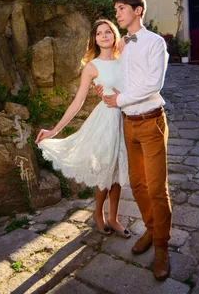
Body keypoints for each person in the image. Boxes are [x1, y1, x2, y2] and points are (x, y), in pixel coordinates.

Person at [100, 0, 172, 281]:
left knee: (157, 187)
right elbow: (120, 77)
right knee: (138, 184)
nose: (117, 14)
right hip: (128, 123)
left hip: (151, 122)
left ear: (138, 10)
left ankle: (162, 247)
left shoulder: (155, 43)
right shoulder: (122, 46)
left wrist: (121, 99)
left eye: (121, 8)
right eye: (115, 8)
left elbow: (154, 84)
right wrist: (112, 94)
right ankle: (152, 230)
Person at [36, 19, 131, 239]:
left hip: (126, 118)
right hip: (106, 120)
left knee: (119, 173)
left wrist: (125, 39)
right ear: (94, 39)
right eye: (99, 33)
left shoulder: (124, 58)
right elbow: (77, 102)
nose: (105, 36)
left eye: (109, 32)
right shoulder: (91, 67)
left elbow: (135, 40)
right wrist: (54, 131)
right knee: (106, 171)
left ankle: (114, 218)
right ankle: (98, 213)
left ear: (115, 35)